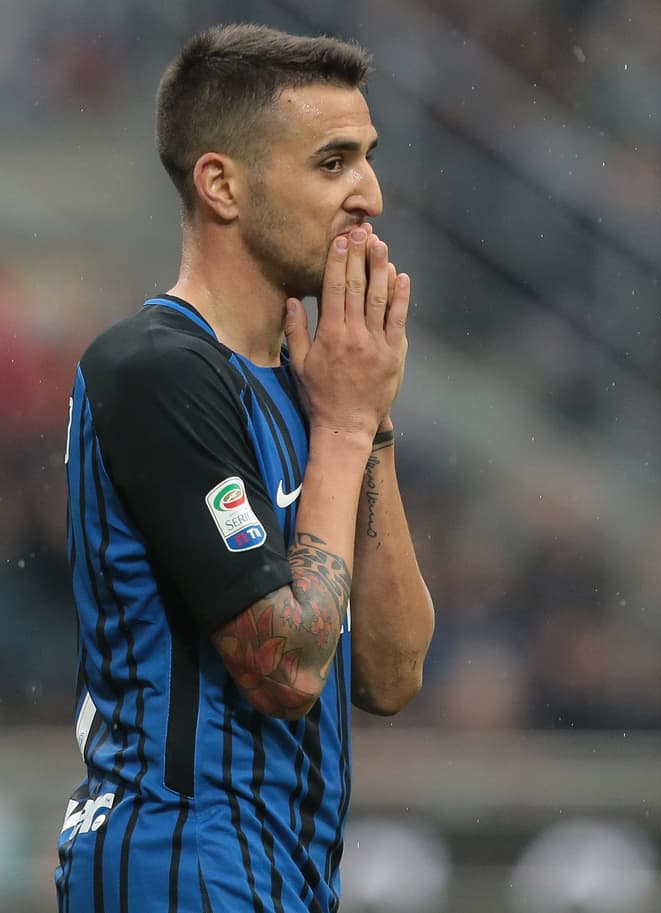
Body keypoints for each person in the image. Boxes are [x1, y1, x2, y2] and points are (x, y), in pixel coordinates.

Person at [54, 23, 435, 913]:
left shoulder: (310, 388)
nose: (370, 196)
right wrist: (343, 427)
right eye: (333, 163)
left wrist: (366, 425)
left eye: (369, 159)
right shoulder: (154, 367)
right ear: (222, 184)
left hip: (284, 872)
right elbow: (288, 667)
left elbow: (391, 670)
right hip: (177, 860)